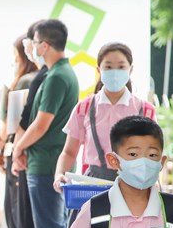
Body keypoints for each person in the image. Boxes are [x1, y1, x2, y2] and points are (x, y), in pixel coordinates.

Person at [11, 19, 79, 228]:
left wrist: (18, 147)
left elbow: (41, 124)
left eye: (36, 43)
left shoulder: (56, 77)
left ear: (45, 45)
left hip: (44, 163)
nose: (33, 48)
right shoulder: (61, 74)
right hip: (47, 161)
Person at [53, 42, 156, 189]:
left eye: (121, 67)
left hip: (134, 185)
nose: (114, 72)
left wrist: (154, 181)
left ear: (130, 70)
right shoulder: (84, 108)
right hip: (93, 185)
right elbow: (69, 152)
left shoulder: (145, 110)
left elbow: (152, 155)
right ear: (98, 70)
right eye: (108, 66)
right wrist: (59, 175)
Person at [3, 26, 49, 228]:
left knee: (33, 220)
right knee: (23, 216)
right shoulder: (39, 77)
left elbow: (28, 122)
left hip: (31, 156)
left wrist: (17, 147)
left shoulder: (40, 79)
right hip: (23, 153)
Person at [0, 29, 39, 228]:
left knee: (18, 207)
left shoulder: (26, 81)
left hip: (17, 148)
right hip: (17, 148)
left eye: (16, 54)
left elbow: (11, 123)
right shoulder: (29, 79)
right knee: (15, 206)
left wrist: (1, 146)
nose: (14, 59)